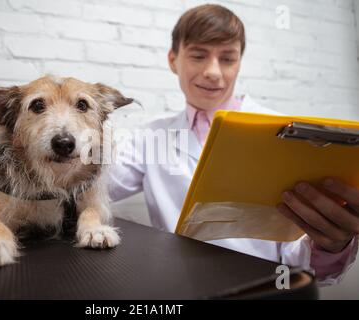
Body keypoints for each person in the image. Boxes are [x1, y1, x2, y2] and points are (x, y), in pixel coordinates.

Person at [108, 4, 358, 286]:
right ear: (173, 59)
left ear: (239, 62)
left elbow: (298, 258)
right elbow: (88, 189)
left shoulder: (286, 135)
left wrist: (329, 246)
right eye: (198, 55)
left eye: (227, 58)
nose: (213, 71)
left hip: (266, 290)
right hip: (179, 289)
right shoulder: (148, 139)